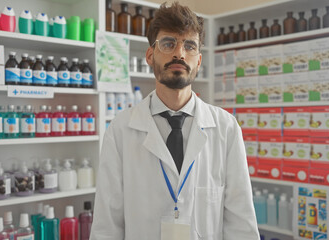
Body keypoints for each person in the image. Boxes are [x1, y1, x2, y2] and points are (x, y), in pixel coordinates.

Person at [90, 2, 260, 239]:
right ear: (150, 55)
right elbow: (107, 225)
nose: (179, 53)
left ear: (198, 61)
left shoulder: (226, 128)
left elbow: (241, 222)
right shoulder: (121, 129)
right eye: (169, 43)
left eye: (189, 46)